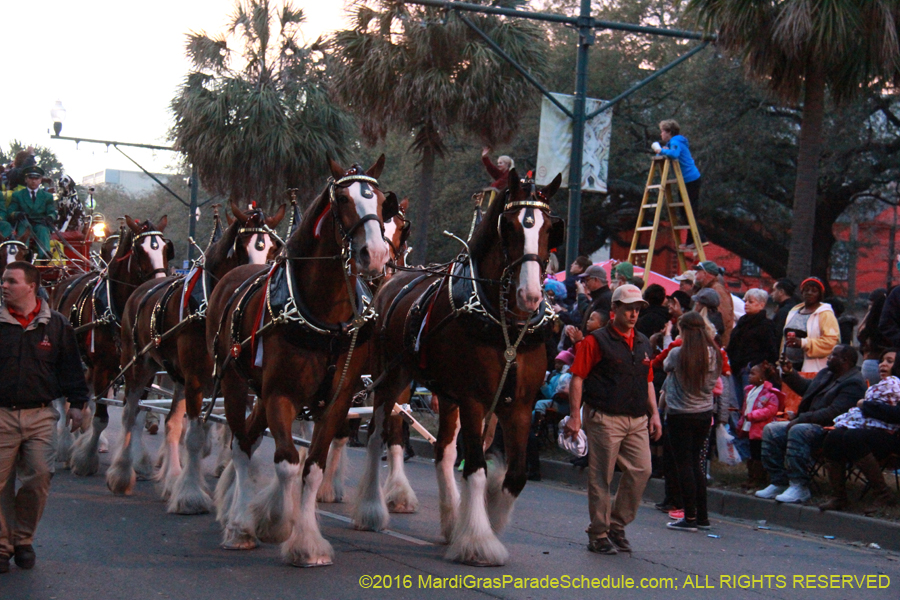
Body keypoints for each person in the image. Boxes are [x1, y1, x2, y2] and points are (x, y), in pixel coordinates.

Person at [0, 261, 88, 573]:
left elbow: (71, 368)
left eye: (11, 281)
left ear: (32, 286)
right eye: (4, 281)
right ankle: (2, 546)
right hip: (1, 416)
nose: (4, 286)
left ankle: (23, 538)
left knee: (38, 477)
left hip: (40, 415)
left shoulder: (58, 325)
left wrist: (78, 404)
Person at [564, 285, 662, 555]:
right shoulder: (595, 341)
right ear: (614, 309)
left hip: (636, 418)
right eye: (628, 308)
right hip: (604, 416)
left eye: (637, 309)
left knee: (642, 470)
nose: (633, 313)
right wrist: (575, 416)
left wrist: (655, 414)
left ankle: (616, 524)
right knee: (601, 477)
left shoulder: (642, 341)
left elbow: (649, 380)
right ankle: (599, 533)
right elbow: (578, 378)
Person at [755, 345, 865, 504]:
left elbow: (833, 413)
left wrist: (802, 418)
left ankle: (799, 485)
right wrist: (789, 373)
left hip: (830, 430)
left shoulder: (854, 383)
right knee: (771, 429)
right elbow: (807, 388)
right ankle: (779, 481)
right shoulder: (827, 373)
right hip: (810, 422)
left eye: (833, 355)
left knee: (799, 430)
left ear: (845, 360)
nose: (828, 358)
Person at [661, 311, 723, 531]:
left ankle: (689, 516)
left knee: (684, 465)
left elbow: (665, 366)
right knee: (697, 463)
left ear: (684, 329)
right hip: (704, 412)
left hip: (680, 412)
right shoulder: (714, 354)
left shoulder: (679, 353)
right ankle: (702, 516)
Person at [818, 348, 900, 512]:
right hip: (874, 429)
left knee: (853, 437)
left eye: (889, 361)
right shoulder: (881, 387)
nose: (883, 364)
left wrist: (865, 405)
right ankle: (839, 497)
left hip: (894, 435)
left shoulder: (896, 387)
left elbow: (896, 415)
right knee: (835, 436)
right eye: (882, 360)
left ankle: (884, 495)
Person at [736, 362, 783, 490]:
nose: (749, 376)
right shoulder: (750, 391)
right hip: (750, 426)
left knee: (758, 453)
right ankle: (752, 476)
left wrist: (754, 415)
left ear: (762, 377)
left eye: (753, 373)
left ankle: (759, 477)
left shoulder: (770, 394)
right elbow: (745, 407)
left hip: (761, 428)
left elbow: (771, 410)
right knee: (752, 452)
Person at [655, 120, 702, 245]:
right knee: (684, 210)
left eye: (662, 132)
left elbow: (675, 154)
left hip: (690, 179)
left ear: (669, 132)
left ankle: (698, 239)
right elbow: (674, 151)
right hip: (687, 179)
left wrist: (661, 151)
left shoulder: (676, 141)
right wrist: (666, 149)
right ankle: (692, 240)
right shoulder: (675, 142)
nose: (661, 134)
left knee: (689, 210)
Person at [727, 288, 778, 400]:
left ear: (761, 304)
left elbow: (771, 351)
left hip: (751, 370)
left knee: (749, 401)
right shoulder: (742, 322)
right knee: (737, 402)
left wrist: (752, 364)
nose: (746, 304)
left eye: (750, 302)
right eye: (745, 301)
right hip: (736, 368)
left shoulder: (766, 325)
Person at [781, 277, 839, 373]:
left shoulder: (825, 314)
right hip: (789, 367)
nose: (809, 293)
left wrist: (803, 343)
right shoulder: (794, 311)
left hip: (813, 368)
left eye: (814, 291)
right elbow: (784, 339)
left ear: (820, 294)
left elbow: (830, 342)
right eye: (806, 290)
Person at [5, 166, 57, 258]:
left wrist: (49, 217)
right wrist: (17, 214)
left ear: (40, 180)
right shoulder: (18, 195)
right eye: (30, 178)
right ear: (26, 179)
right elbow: (10, 211)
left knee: (43, 230)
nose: (33, 181)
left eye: (36, 178)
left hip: (40, 223)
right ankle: (22, 256)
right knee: (25, 229)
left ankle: (45, 257)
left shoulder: (47, 196)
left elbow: (52, 212)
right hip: (24, 222)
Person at [692, 261, 734, 346]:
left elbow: (722, 319)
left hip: (714, 343)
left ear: (705, 273)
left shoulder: (718, 291)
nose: (695, 274)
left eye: (698, 271)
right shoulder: (707, 289)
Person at [857, 289, 891, 385]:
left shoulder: (870, 322)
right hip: (888, 364)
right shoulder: (890, 321)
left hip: (870, 362)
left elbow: (861, 335)